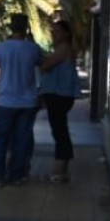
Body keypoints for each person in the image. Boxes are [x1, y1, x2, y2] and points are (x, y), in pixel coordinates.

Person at [0, 13, 43, 186]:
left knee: (0, 140)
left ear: (11, 27)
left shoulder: (1, 48)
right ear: (26, 27)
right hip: (28, 101)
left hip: (5, 101)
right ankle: (17, 175)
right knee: (21, 140)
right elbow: (43, 65)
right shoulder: (33, 49)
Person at [37, 18, 82, 183]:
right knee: (60, 130)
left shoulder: (63, 49)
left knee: (59, 132)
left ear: (66, 34)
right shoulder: (63, 49)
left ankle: (59, 170)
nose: (53, 35)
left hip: (59, 95)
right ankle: (62, 169)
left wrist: (38, 58)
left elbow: (46, 65)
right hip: (59, 95)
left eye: (57, 32)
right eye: (52, 32)